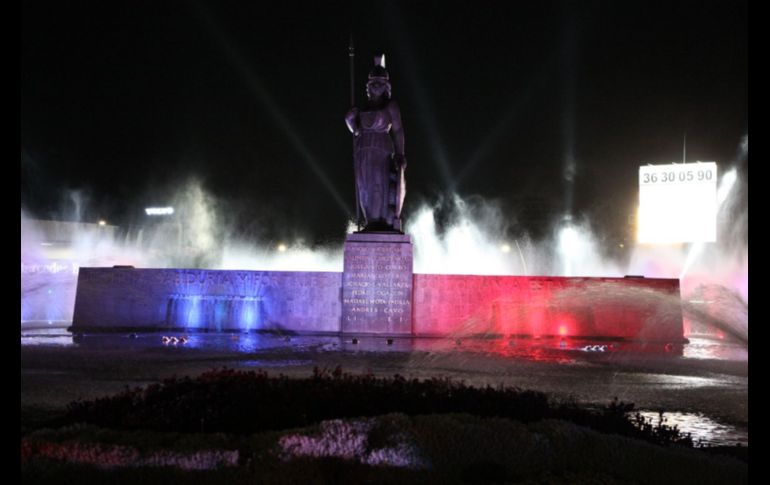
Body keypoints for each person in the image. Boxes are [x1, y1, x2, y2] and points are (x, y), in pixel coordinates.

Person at [345, 54, 407, 232]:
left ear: (386, 85)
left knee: (379, 186)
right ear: (369, 86)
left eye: (380, 82)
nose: (376, 86)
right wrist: (349, 119)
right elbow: (356, 130)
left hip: (382, 149)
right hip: (363, 149)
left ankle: (382, 222)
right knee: (364, 187)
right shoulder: (362, 108)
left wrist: (401, 153)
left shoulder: (391, 106)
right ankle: (370, 222)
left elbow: (398, 130)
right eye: (373, 83)